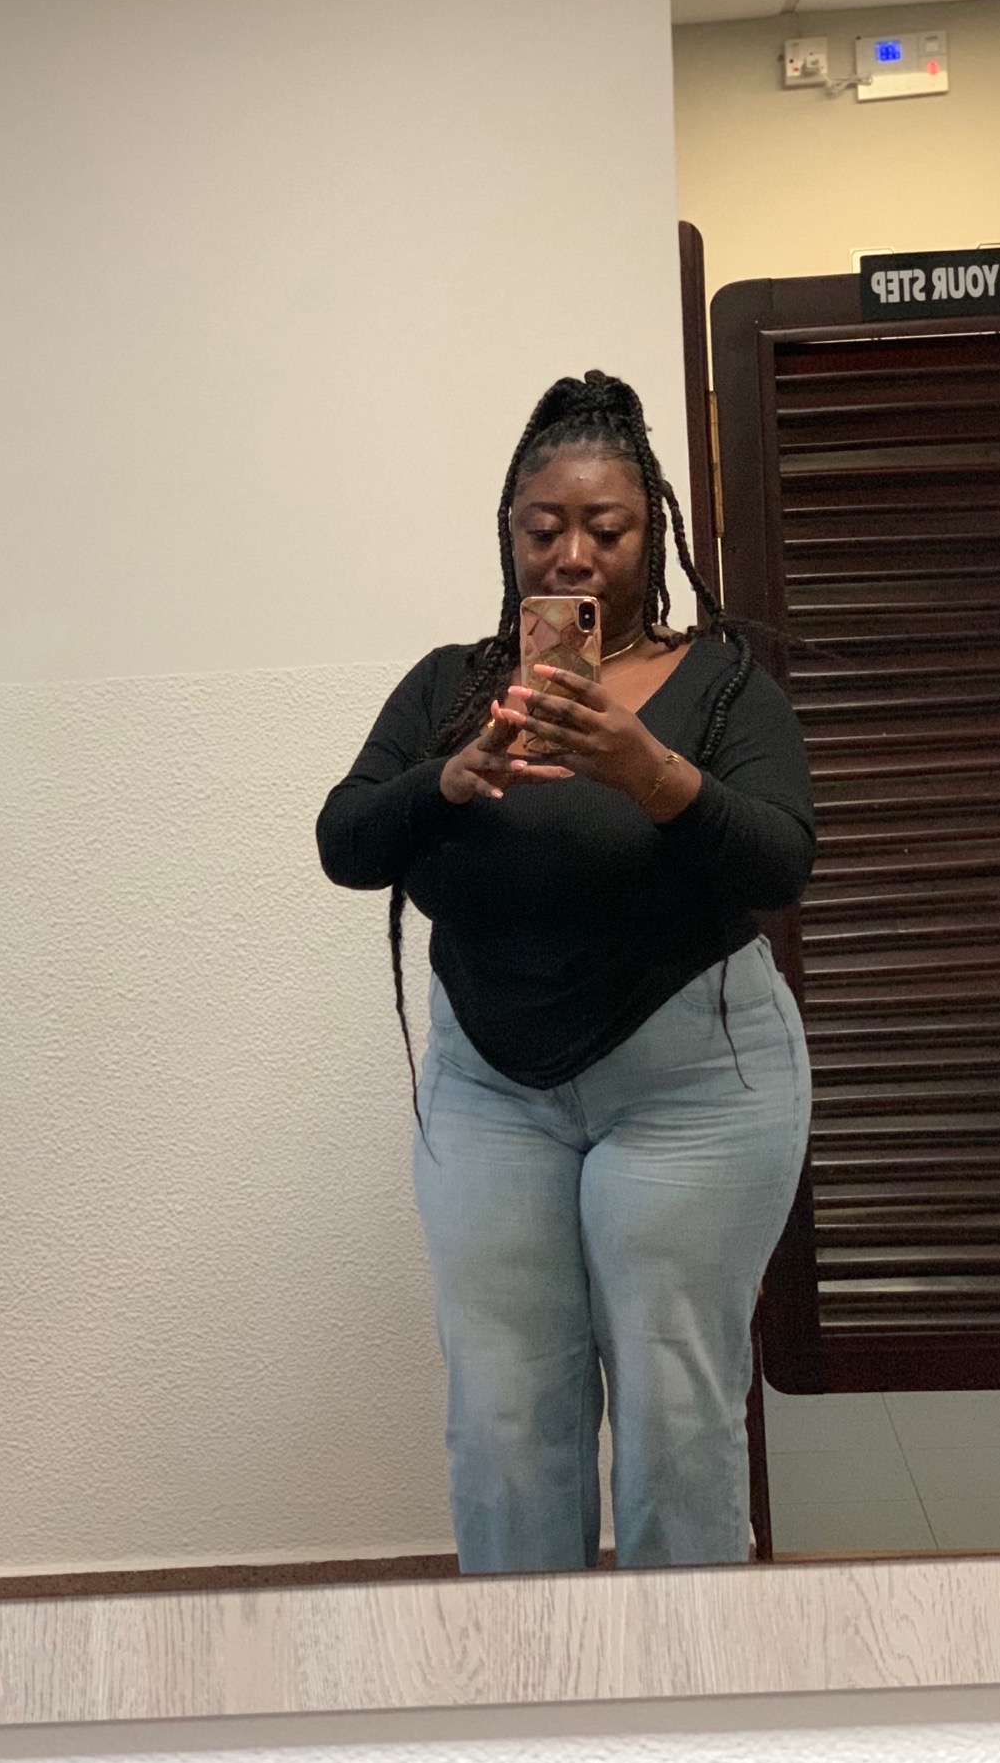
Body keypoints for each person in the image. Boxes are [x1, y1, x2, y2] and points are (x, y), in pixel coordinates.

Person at [316, 370, 815, 1573]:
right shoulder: (449, 688)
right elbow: (346, 842)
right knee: (501, 1419)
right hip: (491, 1094)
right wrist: (446, 780)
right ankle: (528, 1678)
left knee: (674, 1412)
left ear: (653, 536)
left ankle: (682, 1681)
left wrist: (653, 773)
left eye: (608, 528)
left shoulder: (724, 683)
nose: (574, 555)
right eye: (545, 529)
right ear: (510, 533)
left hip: (695, 1089)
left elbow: (781, 860)